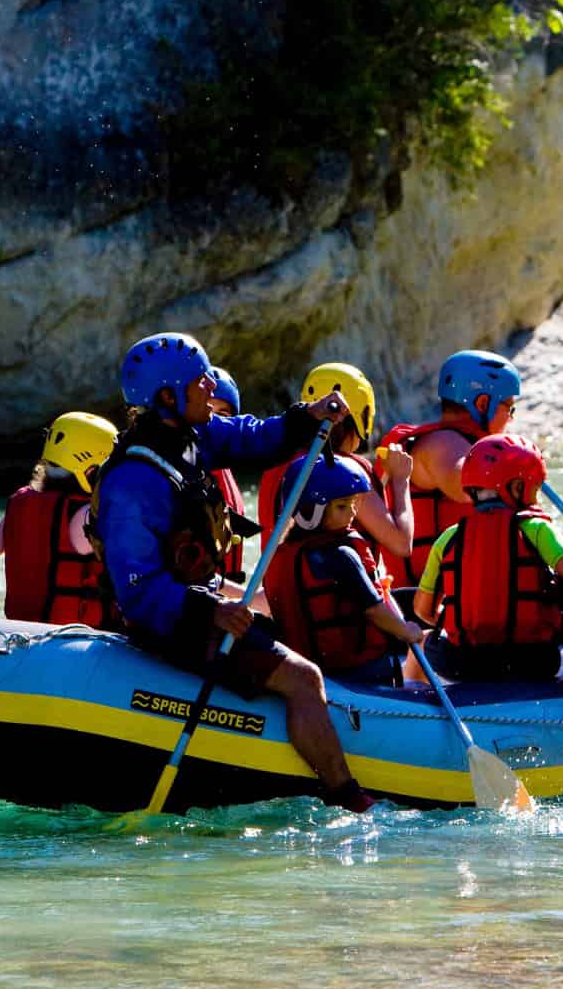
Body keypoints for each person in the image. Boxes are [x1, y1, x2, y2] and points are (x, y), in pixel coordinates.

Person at [92, 331, 373, 812]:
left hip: (199, 605)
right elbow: (138, 590)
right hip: (172, 623)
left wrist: (308, 418)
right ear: (166, 397)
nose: (210, 387)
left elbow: (252, 438)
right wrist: (211, 609)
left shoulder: (192, 436)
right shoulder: (135, 479)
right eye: (199, 381)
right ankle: (347, 797)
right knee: (304, 678)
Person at [413, 434, 563, 682]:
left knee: (431, 640)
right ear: (516, 488)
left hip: (464, 663)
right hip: (532, 660)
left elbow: (422, 609)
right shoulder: (534, 527)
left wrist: (465, 625)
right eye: (535, 487)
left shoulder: (449, 537)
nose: (536, 496)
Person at [263, 457, 425, 678]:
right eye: (341, 506)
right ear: (311, 510)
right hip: (359, 669)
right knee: (419, 625)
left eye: (354, 503)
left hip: (306, 661)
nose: (351, 512)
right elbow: (374, 610)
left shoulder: (281, 552)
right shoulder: (342, 554)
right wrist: (407, 631)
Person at [376, 349, 521, 590]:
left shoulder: (463, 443)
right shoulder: (443, 444)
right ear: (484, 403)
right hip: (426, 602)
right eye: (509, 408)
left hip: (459, 593)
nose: (511, 419)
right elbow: (467, 488)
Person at [0, 411, 122, 628]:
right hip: (77, 638)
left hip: (25, 635)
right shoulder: (90, 514)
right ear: (92, 470)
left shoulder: (20, 503)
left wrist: (11, 536)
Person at [260, 362, 414, 570]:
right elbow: (402, 544)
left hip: (285, 594)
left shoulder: (276, 465)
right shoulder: (345, 470)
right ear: (359, 417)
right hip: (337, 598)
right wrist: (400, 479)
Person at [206, 366, 248, 580]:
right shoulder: (181, 476)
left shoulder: (223, 470)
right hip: (204, 602)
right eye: (207, 411)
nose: (213, 423)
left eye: (223, 415)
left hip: (226, 599)